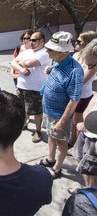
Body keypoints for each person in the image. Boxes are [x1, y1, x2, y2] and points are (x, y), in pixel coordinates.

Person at [38, 31, 84, 179]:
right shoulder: (57, 62)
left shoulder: (76, 71)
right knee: (51, 136)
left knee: (61, 142)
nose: (47, 51)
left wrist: (62, 121)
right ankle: (51, 159)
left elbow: (74, 100)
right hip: (49, 110)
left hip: (60, 116)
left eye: (50, 49)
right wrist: (51, 71)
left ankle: (57, 169)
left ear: (60, 51)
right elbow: (59, 77)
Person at [67, 39, 97, 194]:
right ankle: (86, 190)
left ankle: (89, 195)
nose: (89, 68)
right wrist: (85, 121)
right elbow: (95, 97)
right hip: (87, 129)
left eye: (92, 65)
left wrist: (87, 124)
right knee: (84, 162)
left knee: (93, 169)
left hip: (94, 134)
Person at [11, 31, 52, 143]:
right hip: (21, 86)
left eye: (33, 40)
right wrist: (21, 69)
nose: (30, 42)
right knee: (22, 109)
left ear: (42, 41)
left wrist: (20, 63)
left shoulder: (45, 52)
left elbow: (29, 63)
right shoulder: (27, 51)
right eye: (29, 39)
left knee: (37, 112)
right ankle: (24, 124)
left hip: (36, 89)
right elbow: (13, 62)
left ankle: (38, 131)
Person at [62, 110, 97, 216]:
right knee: (86, 168)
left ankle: (89, 193)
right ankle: (87, 190)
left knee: (93, 173)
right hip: (89, 132)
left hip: (93, 140)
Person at [68, 31, 97, 149]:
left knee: (78, 123)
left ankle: (77, 146)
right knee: (73, 122)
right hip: (73, 93)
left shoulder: (92, 63)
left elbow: (81, 80)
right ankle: (73, 141)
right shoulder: (77, 55)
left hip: (83, 95)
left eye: (80, 41)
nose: (76, 43)